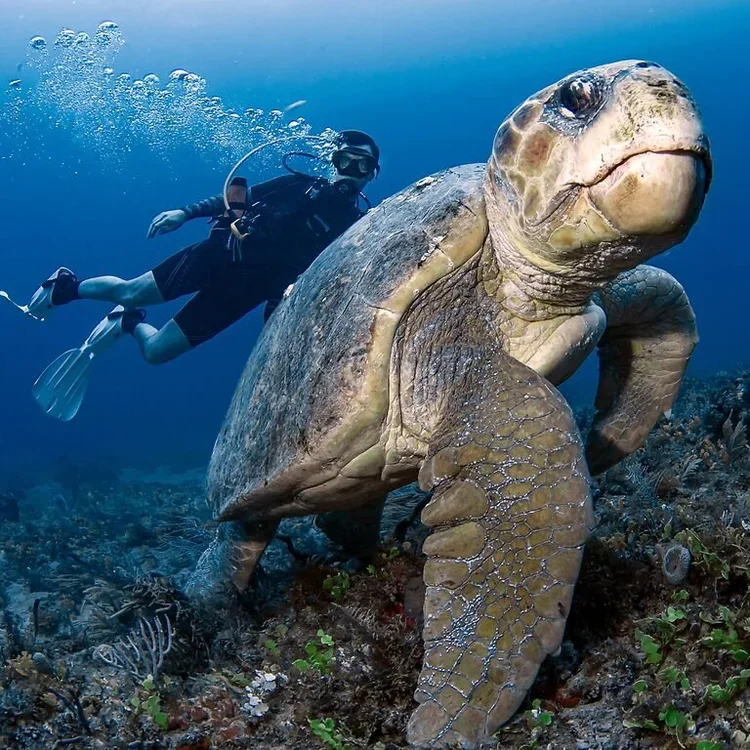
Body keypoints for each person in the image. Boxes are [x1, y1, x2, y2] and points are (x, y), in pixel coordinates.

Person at [23, 130, 380, 421]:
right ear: (333, 161)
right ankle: (67, 286)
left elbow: (318, 281)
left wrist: (277, 317)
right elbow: (236, 197)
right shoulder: (297, 185)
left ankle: (127, 324)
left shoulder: (355, 228)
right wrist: (184, 212)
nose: (352, 170)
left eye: (362, 166)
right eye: (345, 160)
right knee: (131, 291)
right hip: (216, 257)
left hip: (243, 295)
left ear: (372, 174)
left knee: (157, 352)